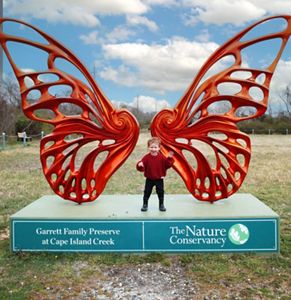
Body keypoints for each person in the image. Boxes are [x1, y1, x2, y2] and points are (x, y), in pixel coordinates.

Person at [137, 137, 174, 212]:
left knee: (160, 192)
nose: (153, 149)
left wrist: (169, 158)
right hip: (149, 179)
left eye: (155, 147)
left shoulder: (162, 157)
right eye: (151, 147)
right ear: (148, 147)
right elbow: (141, 166)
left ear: (159, 148)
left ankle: (161, 204)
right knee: (147, 192)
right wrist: (140, 165)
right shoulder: (146, 157)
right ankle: (145, 204)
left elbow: (168, 165)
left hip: (159, 179)